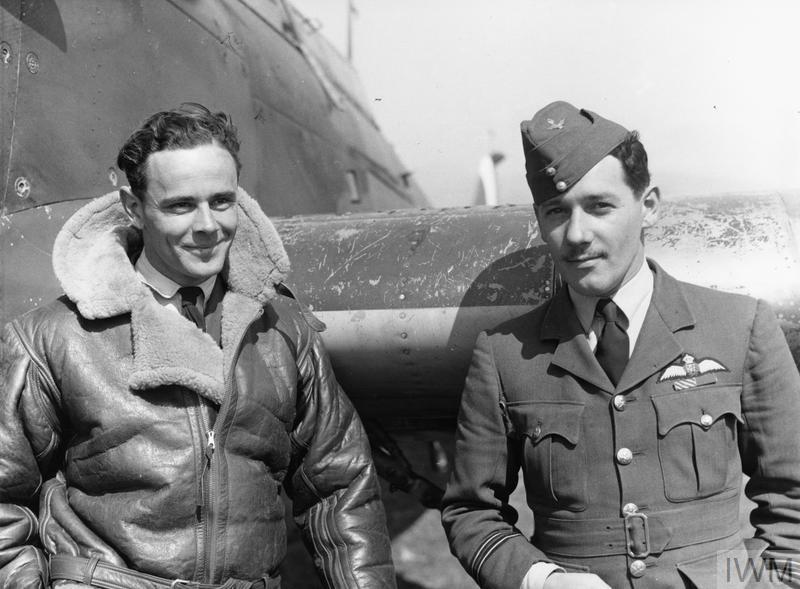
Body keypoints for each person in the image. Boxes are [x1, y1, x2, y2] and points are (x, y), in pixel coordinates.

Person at [0, 103, 396, 589]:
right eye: (181, 205)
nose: (208, 225)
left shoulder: (285, 330)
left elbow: (341, 486)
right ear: (133, 208)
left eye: (222, 201)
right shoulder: (50, 336)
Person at [441, 100, 800, 588]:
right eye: (556, 212)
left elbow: (792, 504)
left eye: (600, 206)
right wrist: (543, 580)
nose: (576, 235)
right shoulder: (504, 354)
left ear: (648, 206)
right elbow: (470, 513)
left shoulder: (740, 327)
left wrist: (759, 584)